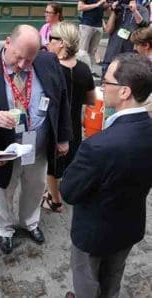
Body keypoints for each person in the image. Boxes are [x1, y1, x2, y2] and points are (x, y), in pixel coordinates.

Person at [0, 24, 71, 254]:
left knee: (35, 186)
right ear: (7, 42)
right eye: (18, 58)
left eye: (29, 61)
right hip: (4, 148)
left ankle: (29, 222)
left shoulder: (48, 62)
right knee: (2, 190)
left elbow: (62, 100)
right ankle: (4, 229)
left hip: (38, 144)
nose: (22, 65)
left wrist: (63, 137)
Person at [60, 52, 152, 298]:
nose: (102, 85)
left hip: (93, 234)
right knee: (113, 280)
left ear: (125, 91)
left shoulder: (98, 145)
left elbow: (69, 191)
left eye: (107, 81)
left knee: (87, 283)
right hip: (129, 227)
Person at [42, 21, 95, 212]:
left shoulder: (50, 67)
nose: (47, 43)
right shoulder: (83, 68)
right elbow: (91, 100)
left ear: (62, 43)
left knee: (52, 166)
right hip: (73, 123)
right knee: (68, 160)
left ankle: (55, 201)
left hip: (54, 126)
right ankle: (60, 192)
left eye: (51, 39)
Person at [102, 0, 149, 76]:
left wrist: (134, 11)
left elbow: (145, 27)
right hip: (112, 55)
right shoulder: (118, 8)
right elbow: (108, 30)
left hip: (129, 57)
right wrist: (114, 11)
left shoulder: (143, 10)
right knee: (105, 83)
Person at [77, 0, 107, 72]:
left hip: (98, 25)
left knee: (93, 51)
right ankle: (81, 71)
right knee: (82, 51)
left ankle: (90, 71)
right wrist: (97, 4)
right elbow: (80, 7)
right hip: (86, 24)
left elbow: (101, 10)